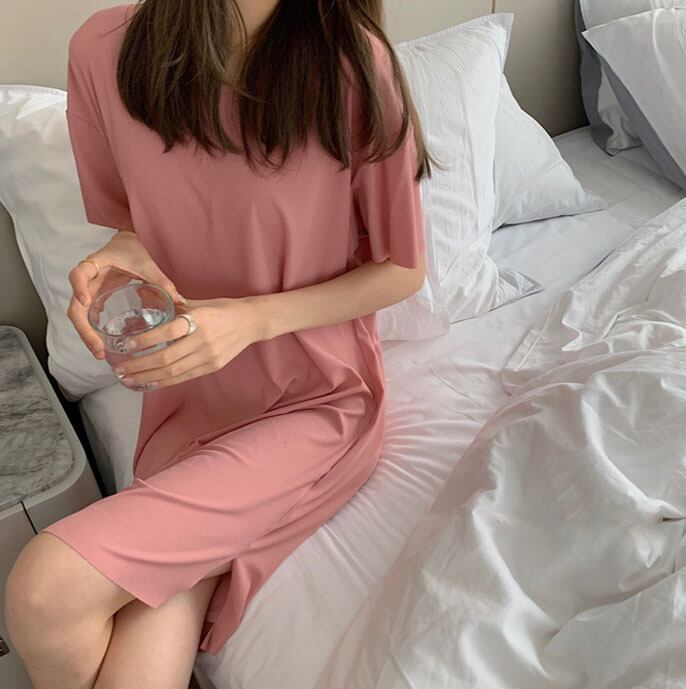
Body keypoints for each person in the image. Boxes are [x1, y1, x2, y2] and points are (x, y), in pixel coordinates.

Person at [4, 1, 431, 687]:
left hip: (313, 401)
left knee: (42, 590)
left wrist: (248, 321)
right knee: (138, 620)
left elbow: (401, 269)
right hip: (186, 400)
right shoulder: (103, 51)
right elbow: (133, 224)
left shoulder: (350, 62)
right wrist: (119, 260)